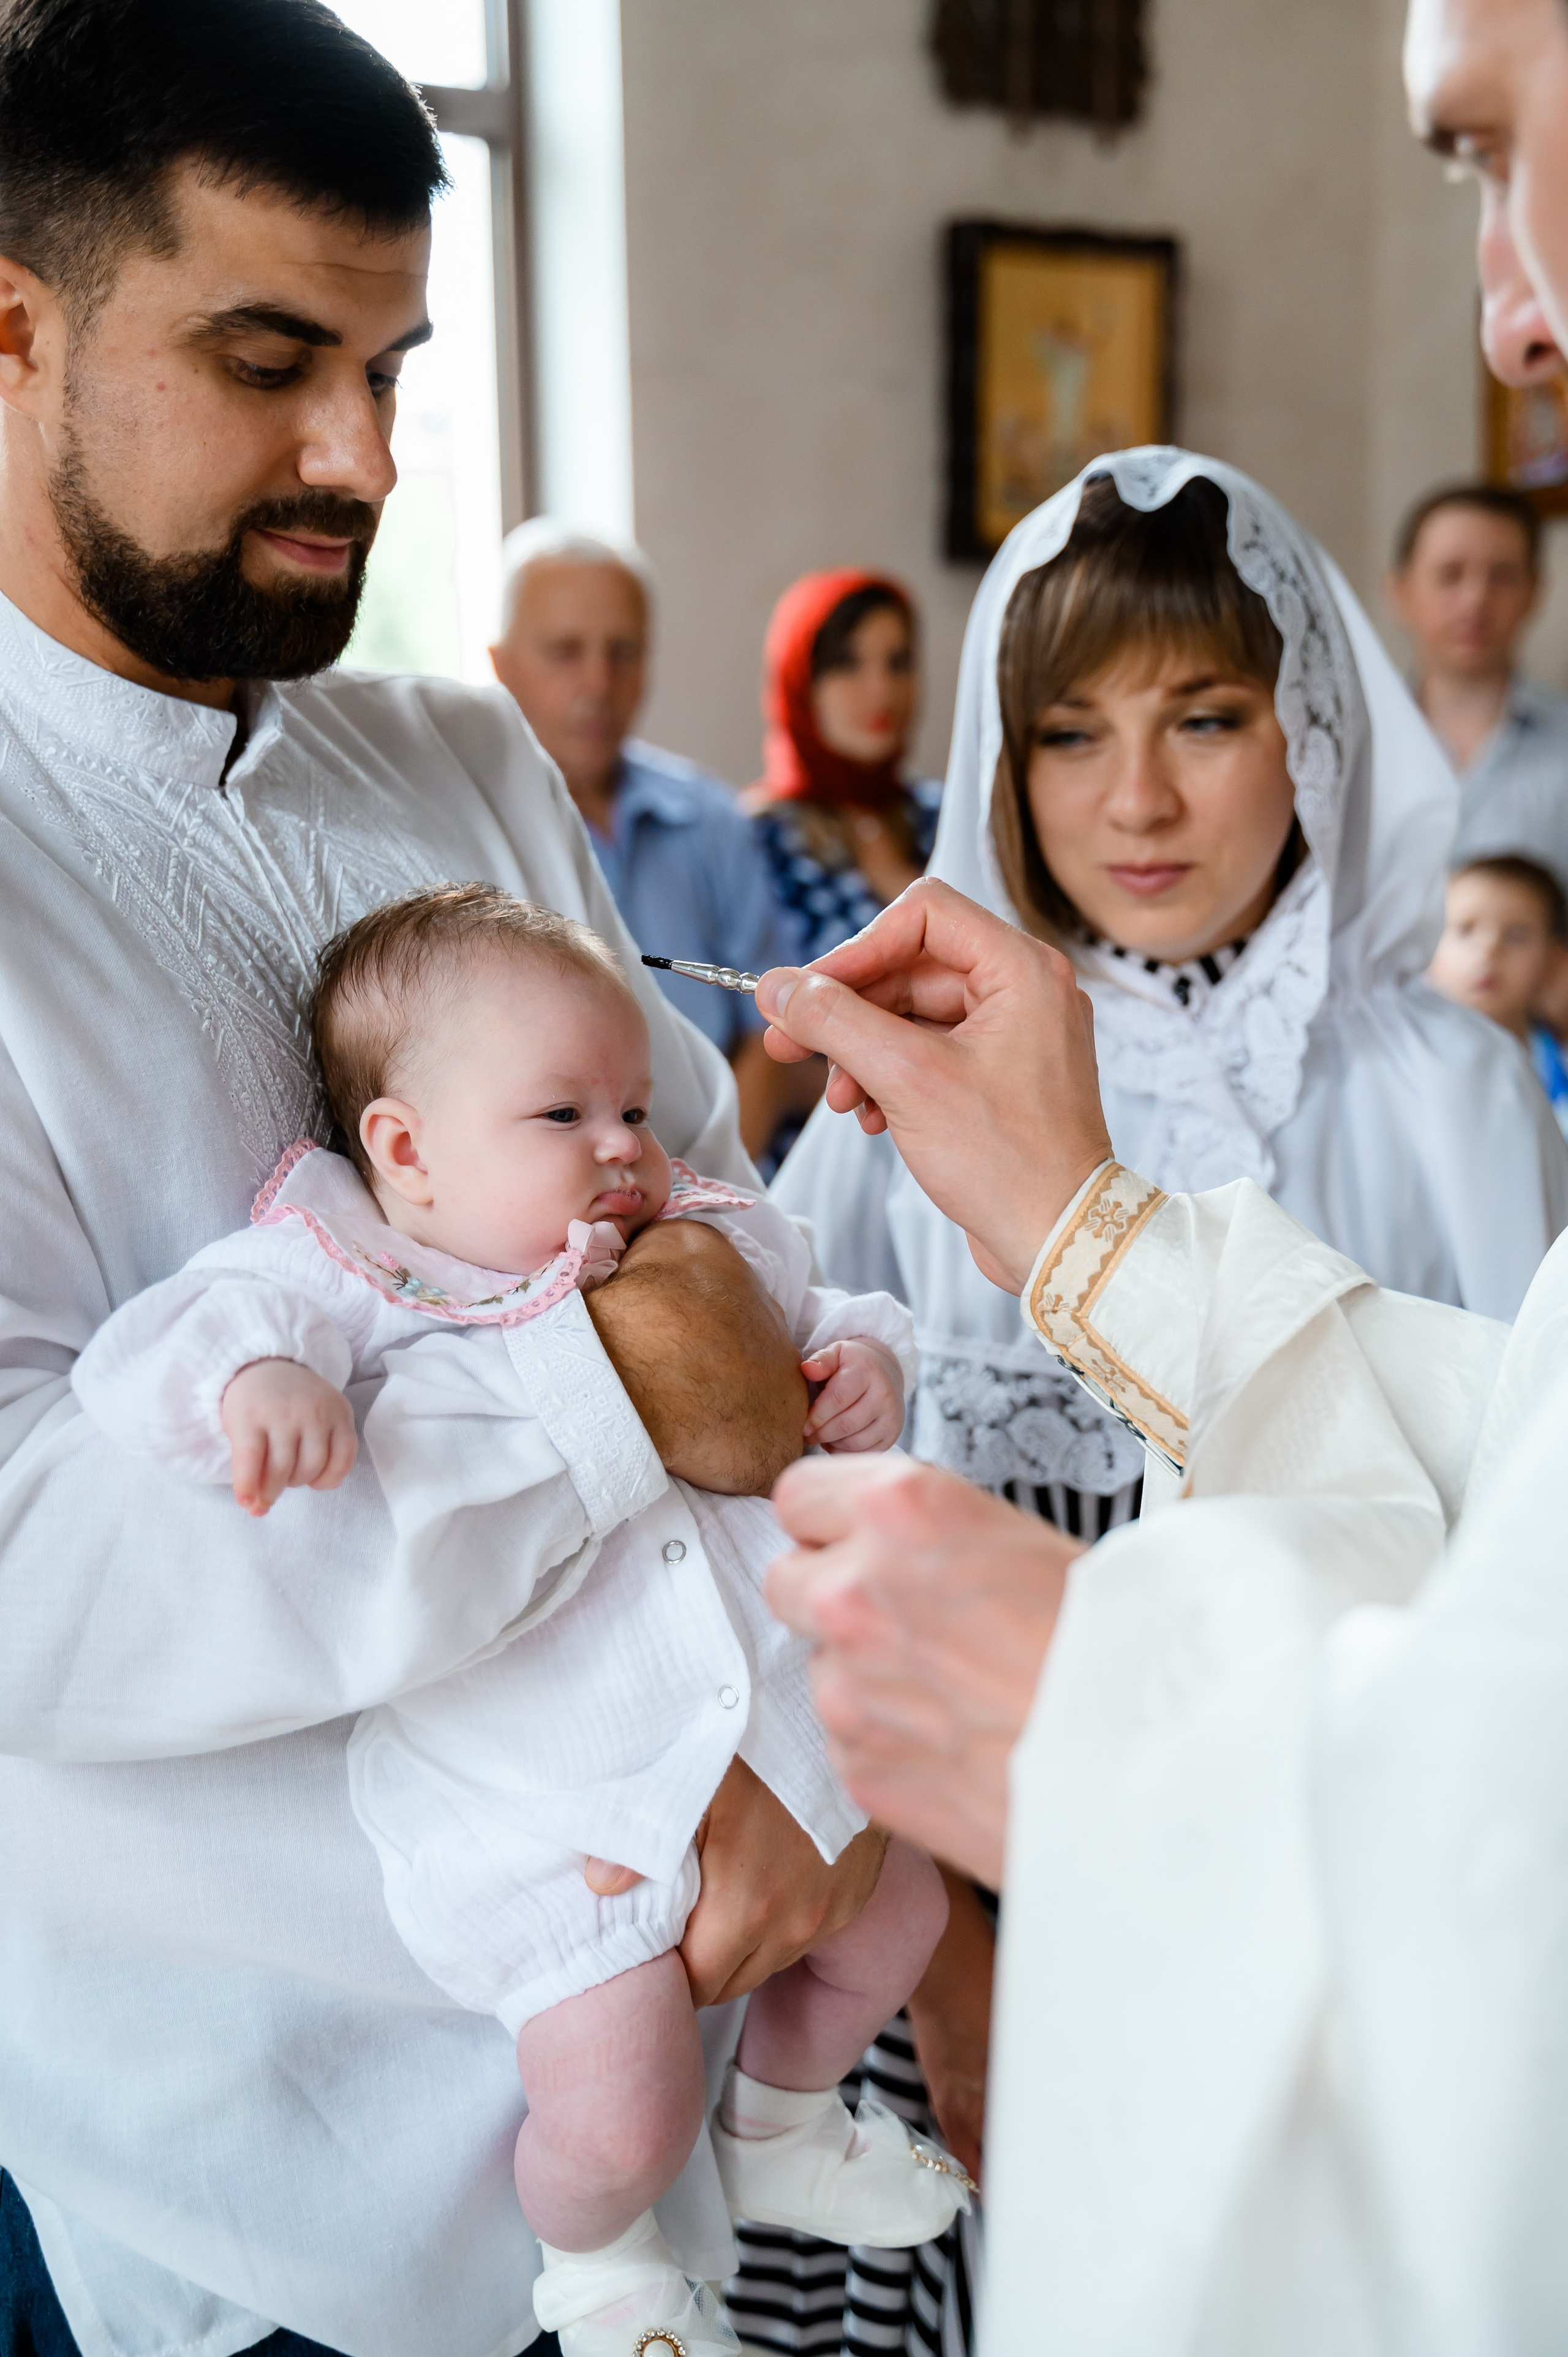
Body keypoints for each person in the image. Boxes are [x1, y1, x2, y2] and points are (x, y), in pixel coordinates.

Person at [0, 9, 883, 2355]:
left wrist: (766, 1751)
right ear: (13, 323)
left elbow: (734, 1285)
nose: (361, 455)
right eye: (272, 358)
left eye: (393, 367)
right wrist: (606, 1390)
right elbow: (30, 1570)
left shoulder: (465, 758)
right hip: (262, 2207)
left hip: (680, 2090)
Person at [728, 6, 1568, 2339]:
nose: (1140, 797)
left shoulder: (1435, 1086)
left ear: (1309, 733)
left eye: (1205, 717)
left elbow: (1491, 1557)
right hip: (957, 1877)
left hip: (1332, 1861)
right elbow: (842, 1495)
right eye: (1072, 731)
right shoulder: (923, 1085)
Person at [73, 884, 970, 2357]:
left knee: (903, 1921)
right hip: (561, 1815)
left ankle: (789, 2121)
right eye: (561, 1113)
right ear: (406, 1150)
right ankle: (597, 2256)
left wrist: (865, 1357)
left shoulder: (694, 1228)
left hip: (784, 1749)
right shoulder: (365, 1267)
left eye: (630, 1101)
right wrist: (261, 1382)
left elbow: (827, 1301)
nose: (622, 1142)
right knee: (617, 2105)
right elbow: (171, 1336)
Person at [489, 518, 790, 1158]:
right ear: (500, 665)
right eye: (565, 651)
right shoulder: (471, 826)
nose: (598, 683)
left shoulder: (709, 815)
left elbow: (776, 1032)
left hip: (721, 1177)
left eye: (623, 652)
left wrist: (703, 1194)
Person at [739, 570, 941, 1167]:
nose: (880, 689)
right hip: (819, 1160)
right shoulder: (759, 837)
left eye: (898, 661)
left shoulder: (945, 817)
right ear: (802, 680)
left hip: (956, 1143)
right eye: (848, 664)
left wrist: (894, 870)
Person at [1387, 480, 1568, 884]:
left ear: (1534, 592)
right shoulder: (1349, 745)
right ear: (1401, 591)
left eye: (1502, 576)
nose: (1475, 601)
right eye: (1450, 575)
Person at [1427, 853, 1568, 1132]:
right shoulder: (1411, 1065)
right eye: (1465, 930)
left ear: (1553, 961)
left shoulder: (1559, 1064)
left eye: (1516, 935)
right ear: (1427, 947)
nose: (1489, 950)